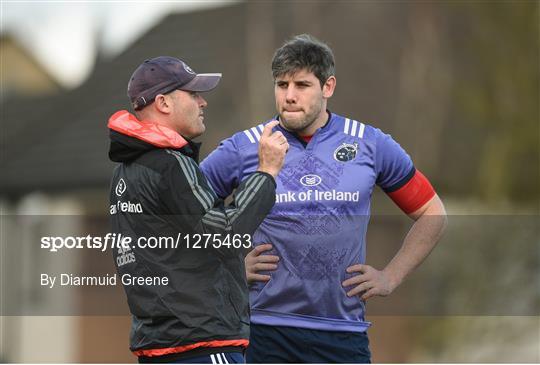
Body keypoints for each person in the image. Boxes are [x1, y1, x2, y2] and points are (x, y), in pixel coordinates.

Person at [200, 35, 447, 363]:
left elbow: (432, 212)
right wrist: (228, 268)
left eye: (301, 85)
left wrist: (390, 276)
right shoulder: (243, 147)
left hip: (343, 335)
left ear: (327, 87)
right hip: (263, 331)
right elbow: (180, 216)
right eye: (281, 84)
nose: (289, 96)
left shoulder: (371, 145)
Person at [107, 56, 288, 363]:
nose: (203, 102)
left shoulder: (124, 172)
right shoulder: (170, 163)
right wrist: (266, 172)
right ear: (163, 102)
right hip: (202, 345)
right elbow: (225, 233)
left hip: (157, 347)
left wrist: (228, 276)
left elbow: (166, 256)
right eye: (193, 94)